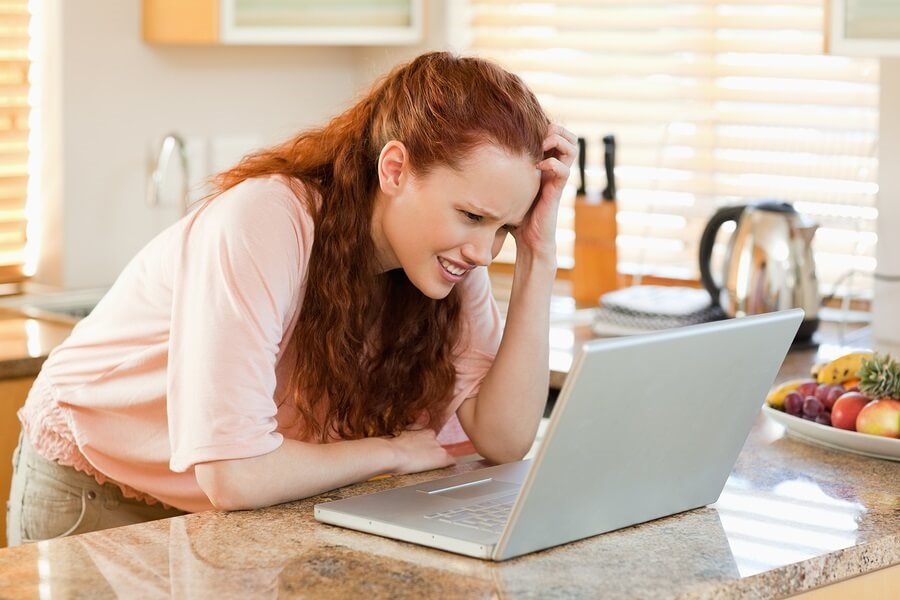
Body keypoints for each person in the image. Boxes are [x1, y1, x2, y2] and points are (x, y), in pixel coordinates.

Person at [6, 51, 575, 545]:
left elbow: (504, 438)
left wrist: (538, 255)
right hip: (99, 485)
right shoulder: (265, 222)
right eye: (473, 216)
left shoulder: (449, 261)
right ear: (396, 169)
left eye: (503, 228)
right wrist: (390, 451)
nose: (484, 250)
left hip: (237, 512)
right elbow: (234, 475)